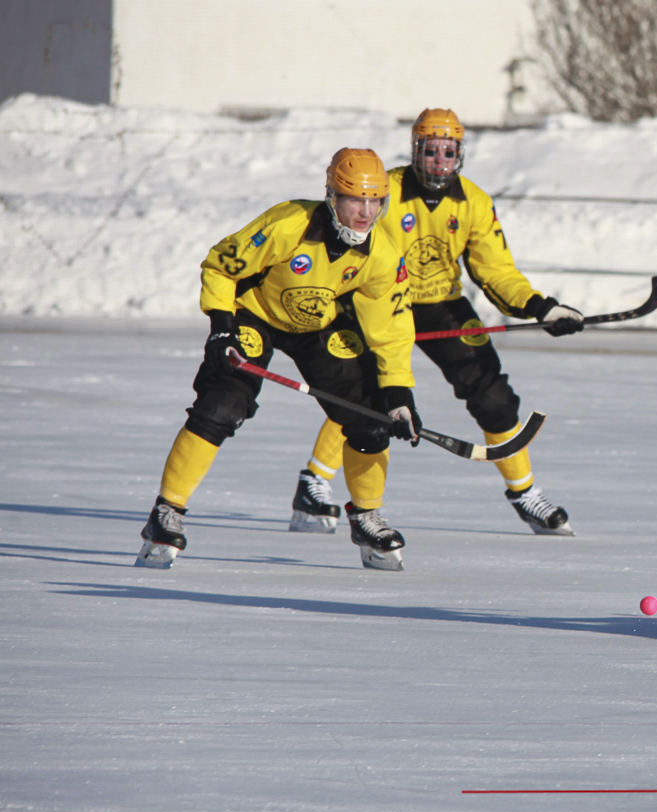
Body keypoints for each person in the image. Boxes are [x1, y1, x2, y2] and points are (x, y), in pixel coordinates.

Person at [289, 108, 584, 537]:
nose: (439, 161)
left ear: (460, 154)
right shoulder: (382, 190)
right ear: (415, 150)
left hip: (442, 304)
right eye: (430, 151)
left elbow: (496, 271)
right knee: (363, 391)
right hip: (379, 298)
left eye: (448, 151)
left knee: (494, 395)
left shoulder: (476, 203)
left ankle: (524, 492)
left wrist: (540, 307)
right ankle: (314, 481)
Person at [136, 148, 420, 572]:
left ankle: (366, 516)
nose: (365, 212)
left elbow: (392, 324)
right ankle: (167, 511)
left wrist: (397, 389)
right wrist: (221, 326)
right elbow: (220, 266)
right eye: (354, 200)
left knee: (371, 413)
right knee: (221, 406)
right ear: (331, 196)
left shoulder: (383, 253)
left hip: (318, 324)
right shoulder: (289, 223)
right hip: (257, 314)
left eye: (375, 201)